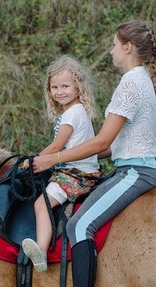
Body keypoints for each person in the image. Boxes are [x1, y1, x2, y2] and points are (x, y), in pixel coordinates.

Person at [32, 20, 156, 287]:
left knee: (78, 227)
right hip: (132, 165)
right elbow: (111, 145)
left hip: (136, 172)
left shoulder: (129, 84)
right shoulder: (142, 80)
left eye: (113, 44)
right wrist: (81, 155)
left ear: (127, 48)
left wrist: (55, 159)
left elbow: (101, 142)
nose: (110, 50)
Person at [22, 55, 102, 273]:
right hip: (79, 171)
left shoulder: (72, 114)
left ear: (78, 87)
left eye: (65, 86)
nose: (60, 91)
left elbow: (57, 146)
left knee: (41, 204)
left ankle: (41, 249)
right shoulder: (76, 111)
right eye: (55, 87)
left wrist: (32, 161)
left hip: (75, 175)